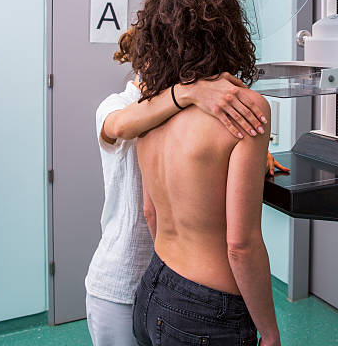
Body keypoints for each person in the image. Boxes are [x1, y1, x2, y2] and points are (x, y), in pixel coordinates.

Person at [85, 27, 286, 346]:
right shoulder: (119, 106)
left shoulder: (169, 113)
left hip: (161, 278)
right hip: (119, 280)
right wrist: (190, 93)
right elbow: (122, 126)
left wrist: (254, 153)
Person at [132, 0, 280, 346]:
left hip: (154, 288)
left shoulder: (149, 109)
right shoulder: (243, 107)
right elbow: (240, 244)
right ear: (228, 30)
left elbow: (151, 211)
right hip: (208, 315)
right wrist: (270, 331)